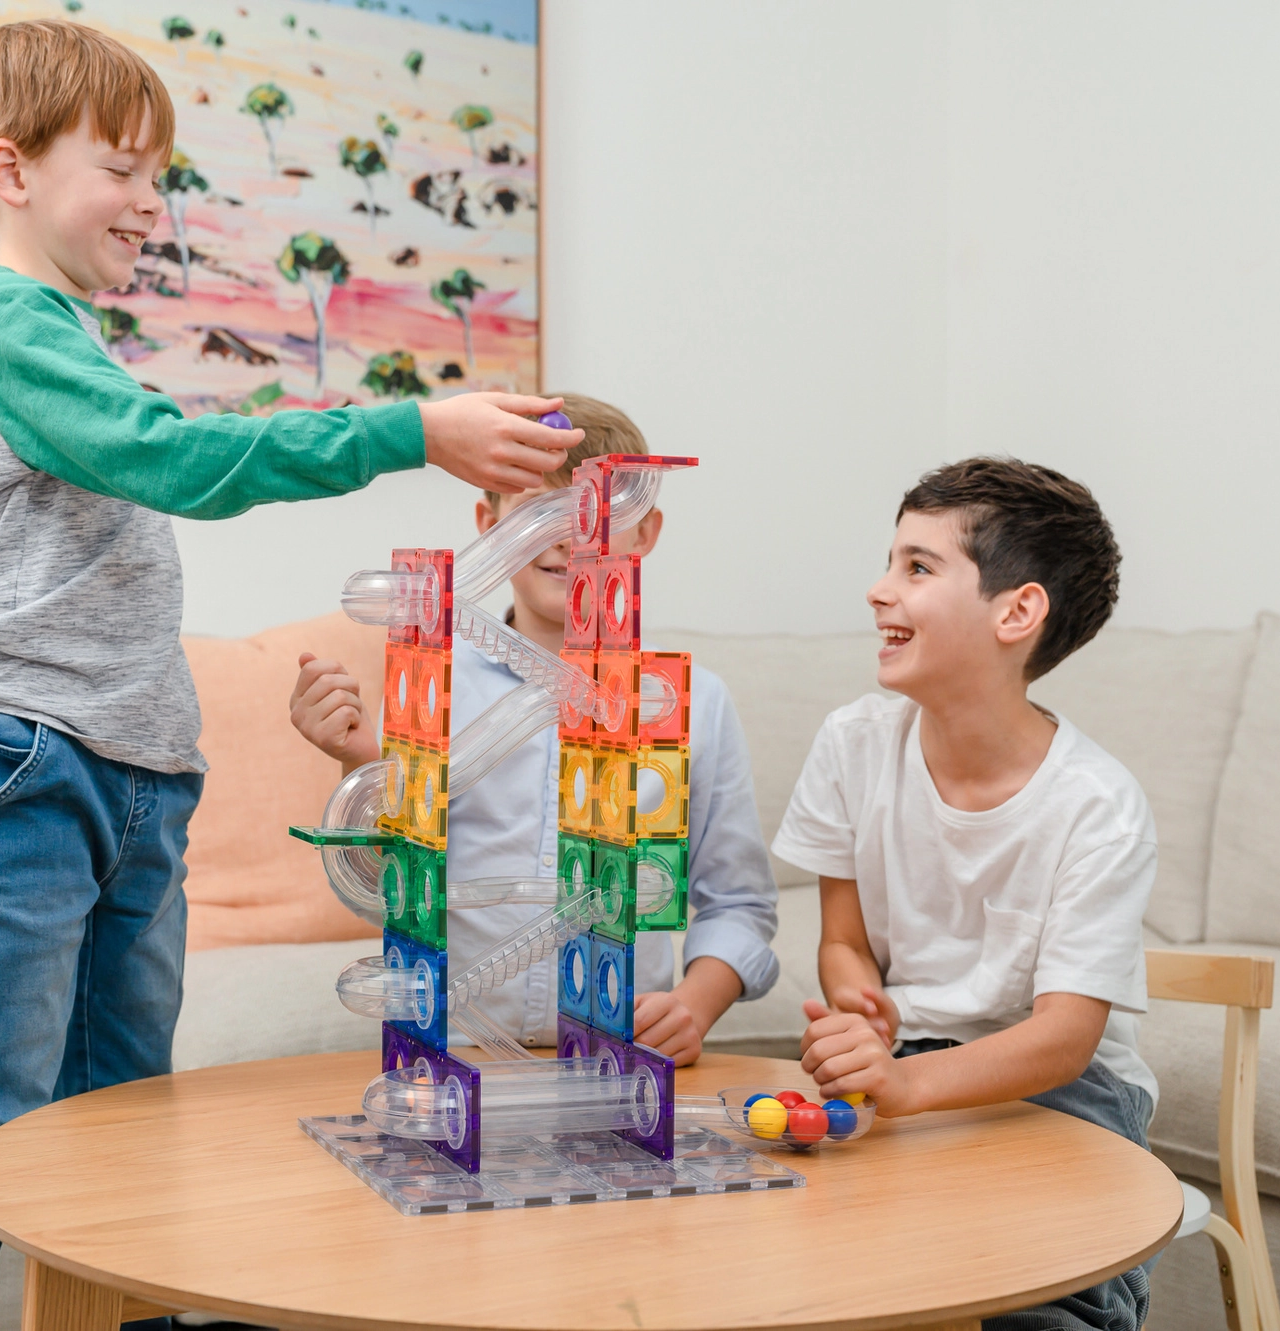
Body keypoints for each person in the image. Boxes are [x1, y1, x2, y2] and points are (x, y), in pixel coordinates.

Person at [0, 20, 581, 1331]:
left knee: (121, 1121)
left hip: (138, 772)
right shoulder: (5, 315)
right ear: (12, 171)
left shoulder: (71, 333)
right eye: (121, 170)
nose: (151, 201)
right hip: (21, 764)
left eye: (159, 175)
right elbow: (178, 460)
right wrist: (410, 427)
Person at [774, 457, 1156, 1331]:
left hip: (1065, 1084)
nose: (878, 589)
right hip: (908, 1052)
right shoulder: (852, 744)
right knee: (819, 1253)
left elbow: (1064, 1038)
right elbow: (845, 941)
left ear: (1016, 613)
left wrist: (905, 1086)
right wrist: (859, 1013)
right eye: (889, 560)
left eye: (918, 566)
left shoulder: (1098, 806)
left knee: (1037, 1288)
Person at [289, 394, 779, 1064]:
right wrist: (358, 767)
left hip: (617, 1057)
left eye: (596, 513)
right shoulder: (432, 684)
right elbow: (385, 894)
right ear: (488, 523)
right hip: (461, 1050)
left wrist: (694, 1004)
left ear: (645, 532)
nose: (566, 538)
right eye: (536, 512)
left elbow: (739, 903)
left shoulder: (690, 703)